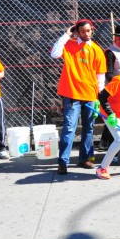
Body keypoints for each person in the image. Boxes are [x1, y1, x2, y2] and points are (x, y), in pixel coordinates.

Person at [51, 19, 106, 174]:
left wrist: (98, 97)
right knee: (69, 128)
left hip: (90, 95)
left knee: (89, 128)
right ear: (77, 32)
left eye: (88, 31)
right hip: (72, 94)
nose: (86, 33)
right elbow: (54, 53)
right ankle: (63, 162)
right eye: (82, 31)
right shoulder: (69, 44)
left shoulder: (97, 50)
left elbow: (100, 75)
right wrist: (66, 35)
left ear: (92, 30)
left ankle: (85, 159)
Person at [97, 24, 120, 150]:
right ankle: (108, 144)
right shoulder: (110, 52)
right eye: (119, 38)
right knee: (114, 118)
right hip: (114, 89)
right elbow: (109, 73)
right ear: (115, 39)